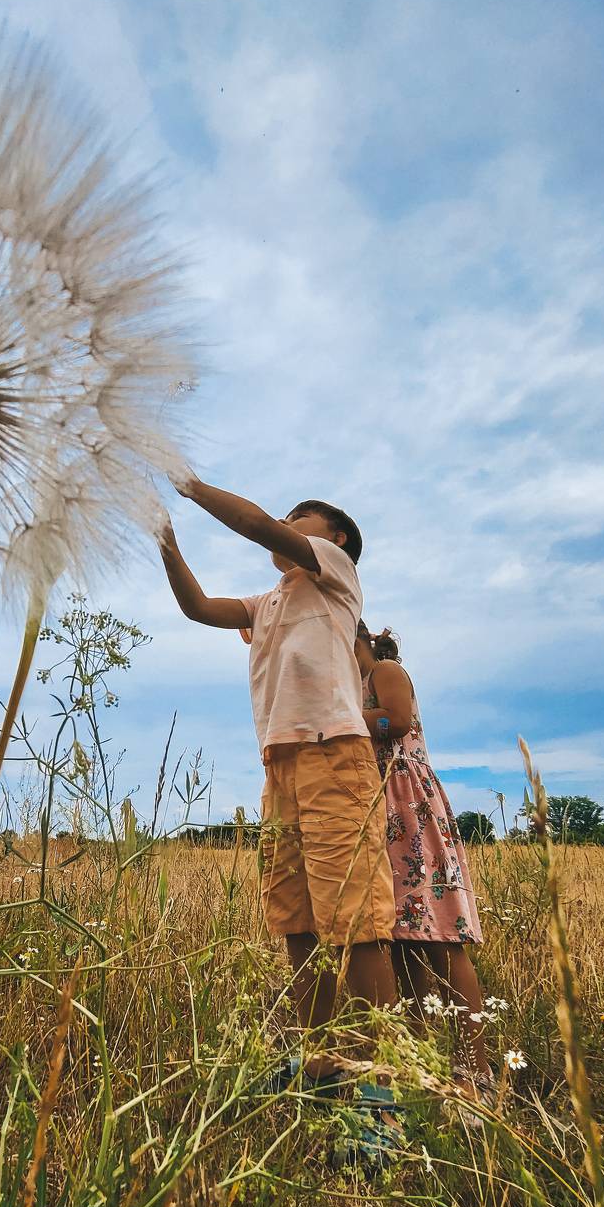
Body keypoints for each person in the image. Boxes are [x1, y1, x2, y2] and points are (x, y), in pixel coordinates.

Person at [159, 478, 402, 1165]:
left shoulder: (334, 575)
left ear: (337, 538)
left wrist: (187, 485)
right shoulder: (266, 603)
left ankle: (379, 1091)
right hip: (281, 763)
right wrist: (166, 540)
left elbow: (259, 525)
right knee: (295, 920)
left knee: (356, 923)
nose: (289, 524)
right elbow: (197, 607)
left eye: (304, 518)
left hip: (335, 755)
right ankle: (320, 1065)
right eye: (290, 517)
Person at [355, 622, 494, 1103]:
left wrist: (342, 716)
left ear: (354, 638)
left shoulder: (384, 671)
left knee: (443, 940)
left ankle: (476, 1072)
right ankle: (422, 1062)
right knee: (402, 942)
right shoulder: (353, 686)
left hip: (409, 807)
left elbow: (396, 720)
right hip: (379, 811)